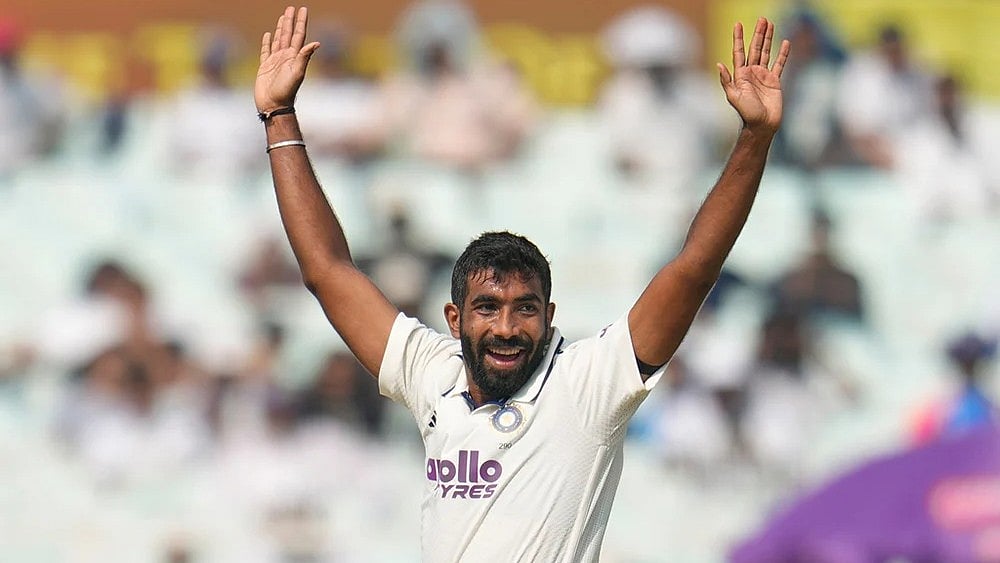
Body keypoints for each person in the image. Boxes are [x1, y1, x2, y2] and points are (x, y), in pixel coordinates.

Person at [254, 6, 789, 561]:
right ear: (454, 318)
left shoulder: (588, 386)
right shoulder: (429, 371)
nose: (507, 328)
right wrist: (280, 115)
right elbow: (326, 271)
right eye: (487, 307)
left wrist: (753, 138)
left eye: (525, 309)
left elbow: (693, 268)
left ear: (550, 316)